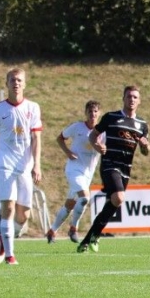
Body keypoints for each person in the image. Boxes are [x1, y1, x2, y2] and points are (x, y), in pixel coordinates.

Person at [0, 68, 42, 266]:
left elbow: (36, 138)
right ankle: (10, 256)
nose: (16, 83)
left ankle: (2, 241)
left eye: (19, 80)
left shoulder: (33, 107)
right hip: (5, 165)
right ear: (6, 84)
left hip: (25, 167)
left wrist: (37, 164)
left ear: (25, 84)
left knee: (23, 217)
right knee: (9, 208)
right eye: (12, 80)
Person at [77, 85, 150, 254]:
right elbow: (93, 135)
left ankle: (89, 238)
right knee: (119, 197)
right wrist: (97, 146)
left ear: (139, 101)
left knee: (114, 201)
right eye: (129, 96)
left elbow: (145, 151)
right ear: (123, 99)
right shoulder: (111, 117)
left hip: (126, 168)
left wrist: (145, 146)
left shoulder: (142, 125)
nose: (131, 99)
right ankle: (94, 236)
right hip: (109, 164)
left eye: (135, 97)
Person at [47, 100, 102, 244]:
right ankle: (73, 228)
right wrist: (68, 152)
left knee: (70, 204)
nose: (92, 114)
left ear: (99, 113)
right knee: (84, 198)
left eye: (95, 111)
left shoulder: (103, 132)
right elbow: (60, 138)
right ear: (85, 113)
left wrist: (104, 149)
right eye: (90, 111)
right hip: (74, 169)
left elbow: (106, 149)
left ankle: (52, 230)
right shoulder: (77, 127)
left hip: (87, 174)